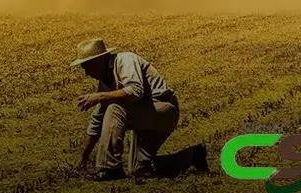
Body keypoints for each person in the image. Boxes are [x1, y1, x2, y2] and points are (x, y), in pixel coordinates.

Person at [71, 38, 208, 181]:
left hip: (163, 109)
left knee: (114, 108)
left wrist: (100, 96)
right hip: (146, 116)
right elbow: (97, 121)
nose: (86, 72)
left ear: (99, 60)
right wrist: (83, 157)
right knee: (138, 169)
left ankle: (110, 168)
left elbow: (135, 91)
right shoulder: (105, 81)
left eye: (86, 66)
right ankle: (193, 155)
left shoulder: (125, 60)